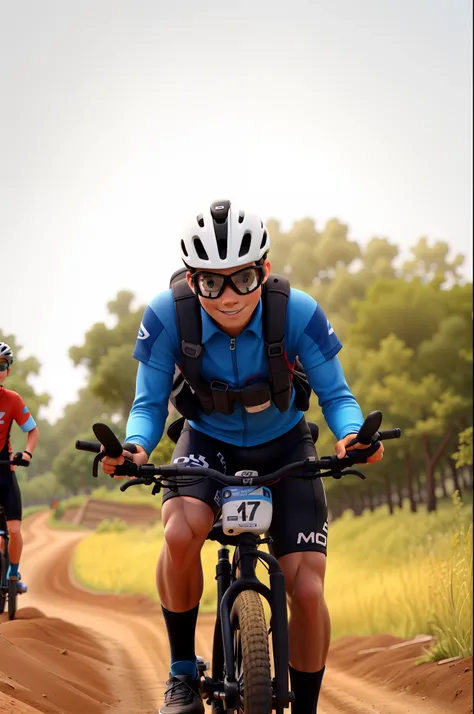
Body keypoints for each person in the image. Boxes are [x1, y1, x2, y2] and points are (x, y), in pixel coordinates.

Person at [101, 200, 384, 714]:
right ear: (192, 279)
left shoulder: (299, 312)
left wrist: (350, 437)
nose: (229, 297)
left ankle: (307, 708)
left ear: (265, 270)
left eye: (244, 278)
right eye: (211, 283)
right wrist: (135, 449)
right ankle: (182, 673)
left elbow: (338, 397)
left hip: (285, 443)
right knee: (179, 533)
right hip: (206, 442)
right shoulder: (166, 317)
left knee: (308, 588)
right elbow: (147, 404)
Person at [0, 341, 39, 593]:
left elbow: (32, 430)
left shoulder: (12, 400)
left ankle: (14, 573)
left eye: (1, 366)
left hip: (5, 472)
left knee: (14, 529)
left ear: (8, 370)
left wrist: (26, 453)